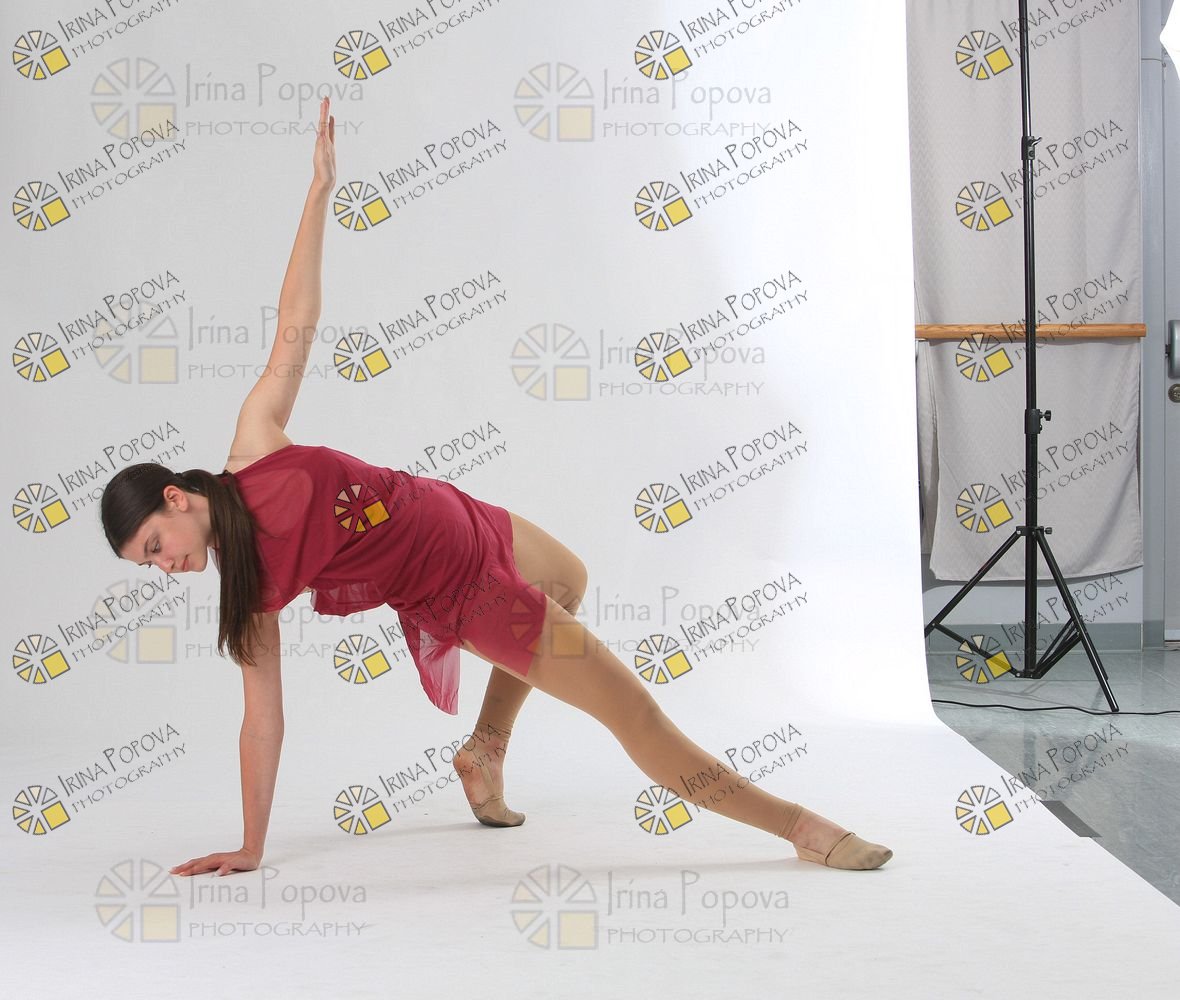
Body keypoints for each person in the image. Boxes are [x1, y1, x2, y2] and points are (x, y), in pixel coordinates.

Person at [100, 97, 892, 877]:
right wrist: (250, 847)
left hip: (460, 514)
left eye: (154, 547)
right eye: (149, 565)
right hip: (466, 592)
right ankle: (801, 828)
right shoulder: (251, 595)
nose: (164, 567)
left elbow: (294, 320)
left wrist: (318, 195)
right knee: (634, 712)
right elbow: (261, 724)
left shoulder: (253, 443)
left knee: (570, 577)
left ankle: (484, 751)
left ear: (176, 498)